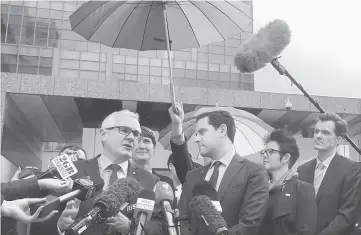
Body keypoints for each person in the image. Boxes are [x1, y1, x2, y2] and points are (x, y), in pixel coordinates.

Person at [53, 110, 168, 235]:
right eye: (124, 130)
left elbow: (160, 226)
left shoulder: (150, 181)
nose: (131, 138)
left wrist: (132, 227)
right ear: (103, 134)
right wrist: (60, 226)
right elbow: (43, 216)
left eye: (136, 134)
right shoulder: (73, 171)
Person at [178, 110, 269, 235]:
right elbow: (183, 220)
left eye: (202, 132)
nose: (196, 139)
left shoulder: (254, 173)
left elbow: (249, 224)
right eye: (196, 134)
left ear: (222, 130)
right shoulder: (192, 176)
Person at [297, 113, 361, 235]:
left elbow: (347, 214)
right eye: (316, 131)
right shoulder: (302, 170)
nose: (318, 136)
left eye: (325, 133)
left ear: (338, 139)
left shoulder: (353, 170)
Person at [258, 129, 317, 235]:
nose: (265, 155)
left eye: (270, 151)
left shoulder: (302, 190)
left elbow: (306, 231)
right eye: (264, 151)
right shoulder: (258, 188)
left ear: (286, 157)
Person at [168, 102, 208, 185]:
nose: (197, 139)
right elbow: (181, 158)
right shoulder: (195, 172)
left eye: (203, 132)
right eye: (198, 133)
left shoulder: (239, 170)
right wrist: (177, 124)